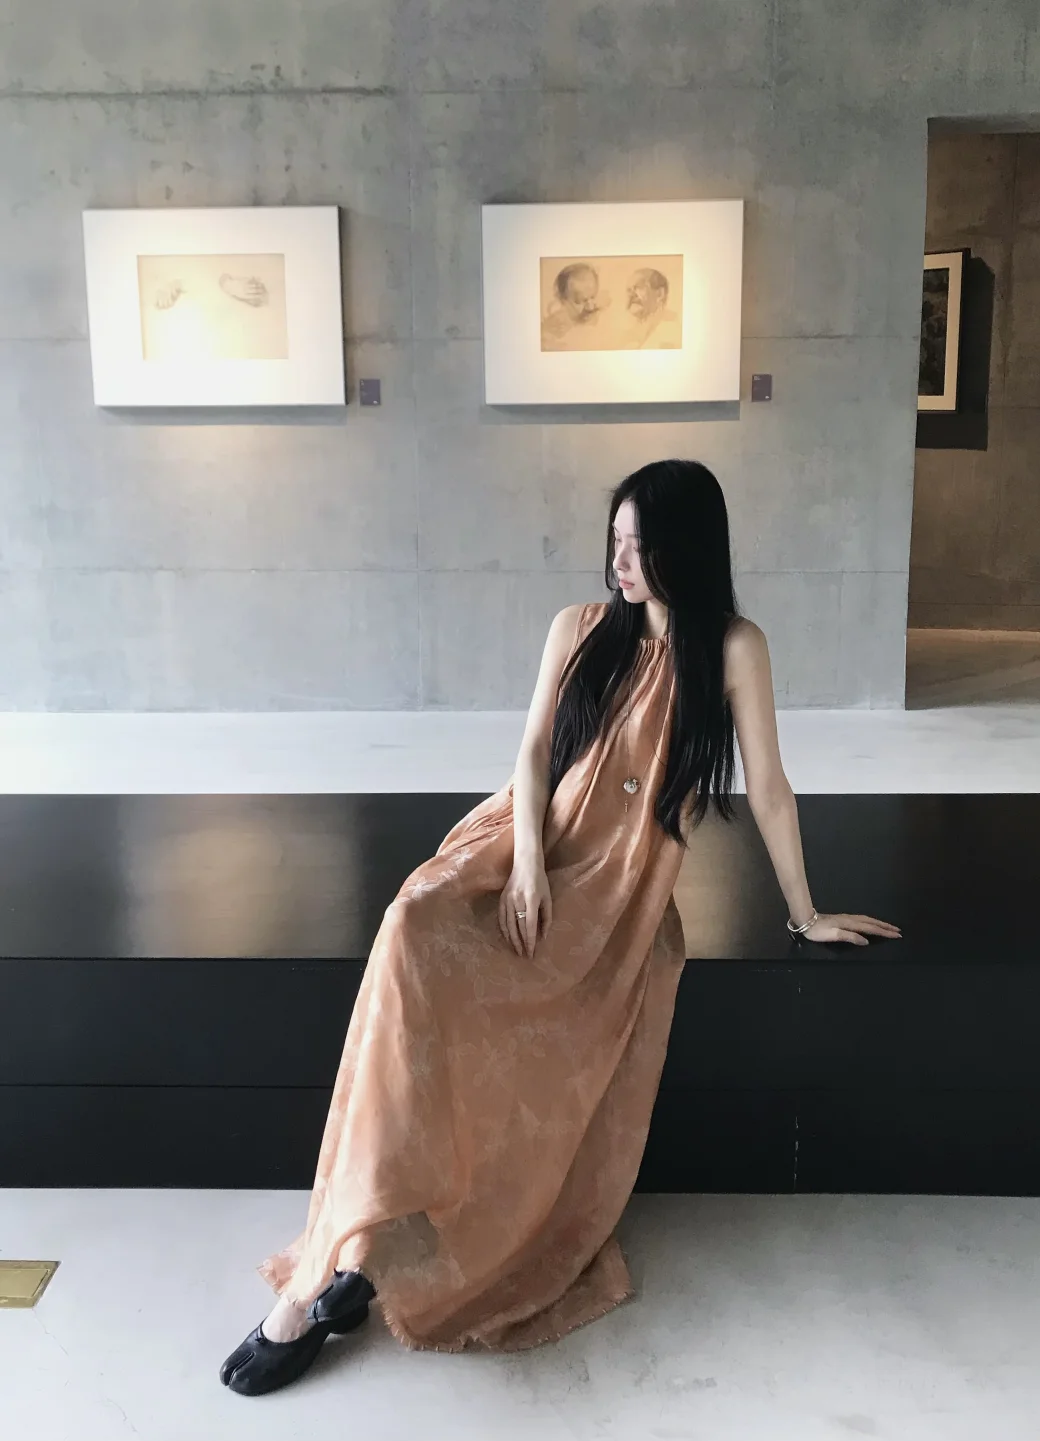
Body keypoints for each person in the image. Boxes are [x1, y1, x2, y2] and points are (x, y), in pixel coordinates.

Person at [219, 458, 901, 1397]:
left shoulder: (734, 648)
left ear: (687, 549)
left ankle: (355, 1265)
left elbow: (770, 787)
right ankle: (339, 1254)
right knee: (411, 922)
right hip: (526, 842)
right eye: (614, 541)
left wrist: (805, 910)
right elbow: (535, 749)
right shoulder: (578, 628)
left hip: (619, 890)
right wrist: (530, 863)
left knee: (518, 1025)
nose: (619, 563)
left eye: (640, 546)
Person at [622, 267, 681, 349]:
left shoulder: (672, 333)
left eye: (638, 287)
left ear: (659, 294)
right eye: (629, 290)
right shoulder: (630, 339)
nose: (631, 294)